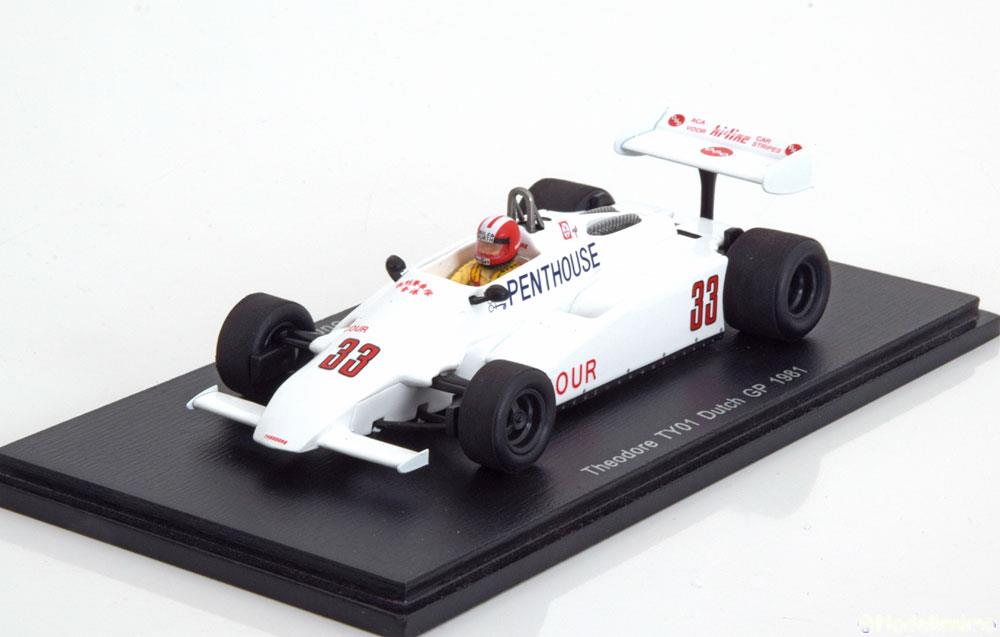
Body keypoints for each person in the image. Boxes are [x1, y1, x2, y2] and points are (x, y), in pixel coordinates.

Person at [451, 216, 523, 286]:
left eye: (493, 246)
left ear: (509, 248)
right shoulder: (473, 268)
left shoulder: (516, 274)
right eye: (483, 244)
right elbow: (453, 283)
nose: (486, 249)